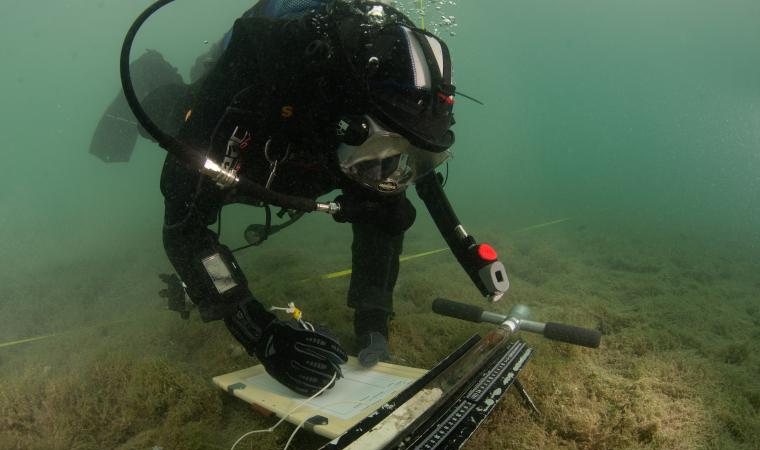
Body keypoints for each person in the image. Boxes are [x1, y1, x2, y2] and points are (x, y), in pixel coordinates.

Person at [112, 0, 509, 397]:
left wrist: (374, 322)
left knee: (383, 202)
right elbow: (184, 228)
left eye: (409, 157)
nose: (390, 174)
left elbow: (393, 208)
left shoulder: (393, 116)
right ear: (347, 119)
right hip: (253, 137)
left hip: (317, 149)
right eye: (383, 150)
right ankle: (152, 68)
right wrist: (259, 331)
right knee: (168, 110)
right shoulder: (252, 91)